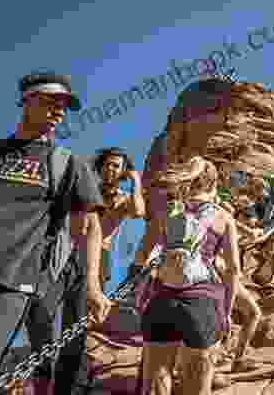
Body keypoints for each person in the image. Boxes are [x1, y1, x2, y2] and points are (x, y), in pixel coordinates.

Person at [0, 72, 110, 395]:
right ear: (26, 101)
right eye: (51, 101)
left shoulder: (66, 163)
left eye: (64, 106)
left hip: (9, 283)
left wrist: (94, 287)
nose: (59, 111)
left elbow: (90, 227)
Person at [137, 158, 241, 395]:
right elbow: (234, 270)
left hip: (162, 301)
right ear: (214, 184)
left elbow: (143, 256)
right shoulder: (223, 217)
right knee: (196, 384)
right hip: (200, 303)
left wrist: (142, 295)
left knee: (155, 382)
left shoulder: (167, 211)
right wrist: (226, 313)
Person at [91, 147, 146, 290]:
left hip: (101, 253)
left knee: (93, 304)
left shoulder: (124, 199)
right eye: (107, 164)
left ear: (123, 171)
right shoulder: (88, 191)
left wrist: (136, 181)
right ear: (100, 167)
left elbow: (138, 212)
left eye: (116, 166)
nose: (110, 168)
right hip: (77, 251)